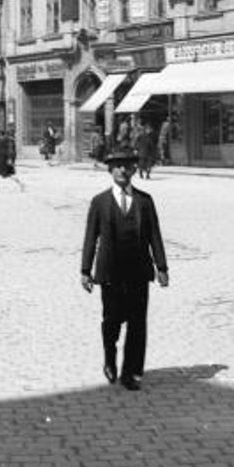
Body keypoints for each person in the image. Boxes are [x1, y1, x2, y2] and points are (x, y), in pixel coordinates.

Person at [80, 150, 170, 391]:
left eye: (126, 166)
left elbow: (155, 236)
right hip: (110, 274)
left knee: (137, 324)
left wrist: (161, 267)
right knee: (111, 322)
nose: (121, 170)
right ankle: (110, 358)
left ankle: (132, 373)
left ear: (133, 170)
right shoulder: (99, 202)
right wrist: (85, 270)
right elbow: (91, 238)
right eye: (117, 166)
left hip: (139, 272)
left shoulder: (144, 201)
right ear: (110, 171)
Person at [0, 127, 25, 192]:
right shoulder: (4, 140)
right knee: (1, 174)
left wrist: (9, 158)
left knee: (6, 174)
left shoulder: (5, 140)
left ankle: (21, 184)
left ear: (0, 134)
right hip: (2, 159)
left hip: (3, 159)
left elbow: (8, 150)